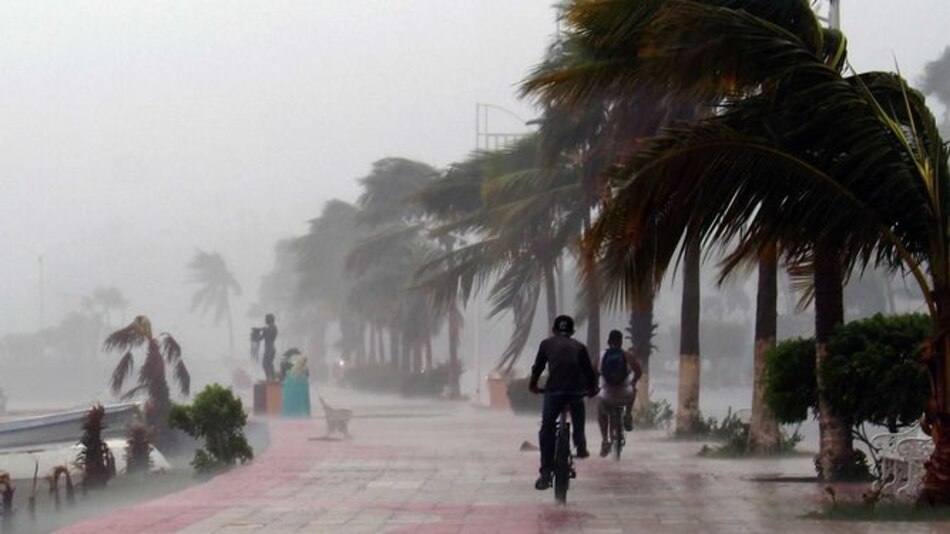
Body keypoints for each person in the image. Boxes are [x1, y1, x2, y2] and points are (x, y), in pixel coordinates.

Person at [529, 314, 598, 491]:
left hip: (554, 392)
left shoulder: (546, 344)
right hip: (575, 392)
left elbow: (538, 367)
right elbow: (589, 372)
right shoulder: (580, 347)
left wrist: (533, 385)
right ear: (572, 332)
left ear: (553, 330)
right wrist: (592, 389)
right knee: (578, 417)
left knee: (547, 428)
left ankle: (545, 473)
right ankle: (580, 446)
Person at [597, 329, 643, 457]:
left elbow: (592, 372)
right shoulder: (628, 356)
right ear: (621, 342)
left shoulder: (601, 356)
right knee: (634, 389)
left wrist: (596, 386)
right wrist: (633, 382)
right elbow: (639, 372)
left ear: (608, 342)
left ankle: (605, 441)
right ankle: (628, 414)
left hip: (607, 396)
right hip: (625, 395)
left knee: (600, 411)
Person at [259, 313, 279, 381]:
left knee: (267, 364)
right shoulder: (269, 328)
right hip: (268, 348)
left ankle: (271, 378)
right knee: (267, 364)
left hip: (270, 349)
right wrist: (255, 335)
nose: (265, 320)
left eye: (266, 319)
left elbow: (267, 337)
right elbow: (261, 338)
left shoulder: (273, 327)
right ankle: (270, 378)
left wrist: (264, 331)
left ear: (270, 319)